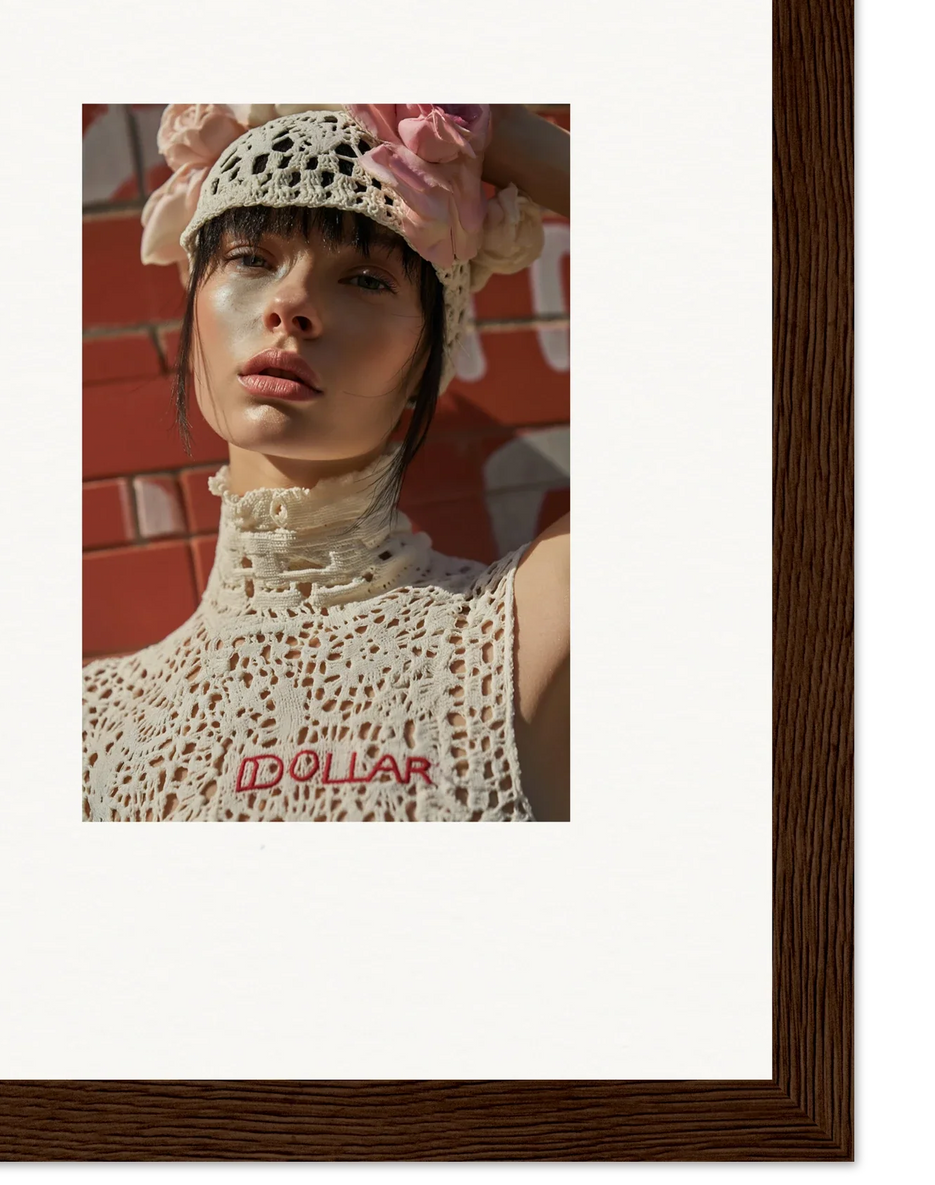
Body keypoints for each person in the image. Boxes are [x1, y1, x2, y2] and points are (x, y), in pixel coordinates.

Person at [82, 104, 571, 822]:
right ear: (193, 322)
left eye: (367, 278)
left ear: (424, 363)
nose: (291, 303)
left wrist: (482, 125)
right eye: (251, 258)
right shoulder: (92, 725)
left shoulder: (521, 633)